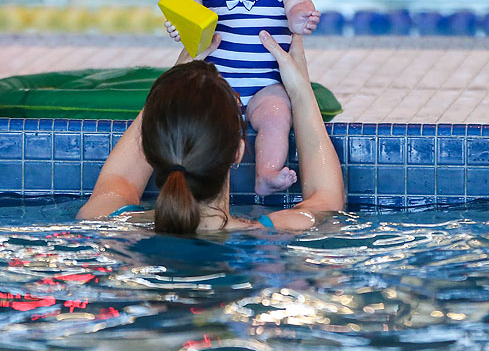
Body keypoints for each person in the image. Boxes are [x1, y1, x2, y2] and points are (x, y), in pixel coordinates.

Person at [76, 31, 344, 234]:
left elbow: (120, 175)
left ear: (149, 149)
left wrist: (176, 83)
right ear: (238, 152)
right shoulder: (277, 229)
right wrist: (299, 89)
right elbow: (327, 198)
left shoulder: (104, 217)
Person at [165, 0, 321, 196]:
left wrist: (299, 17)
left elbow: (296, 3)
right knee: (204, 121)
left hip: (266, 84)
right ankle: (203, 183)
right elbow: (190, 4)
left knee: (277, 116)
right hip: (218, 83)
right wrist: (181, 22)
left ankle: (266, 173)